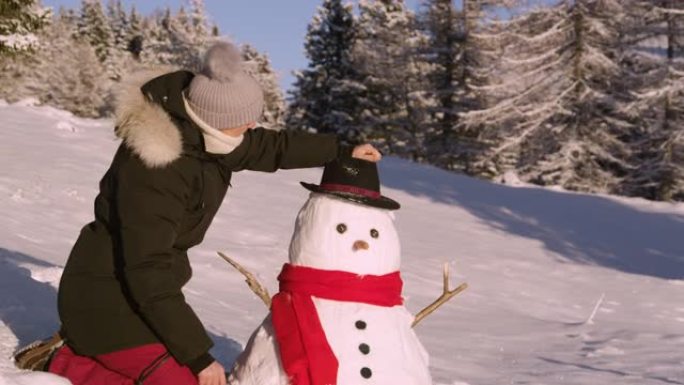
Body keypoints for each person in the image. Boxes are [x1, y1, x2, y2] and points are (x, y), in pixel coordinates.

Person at [41, 41, 381, 385]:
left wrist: (340, 150)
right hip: (105, 301)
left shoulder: (207, 136)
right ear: (214, 120)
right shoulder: (156, 170)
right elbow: (147, 268)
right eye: (245, 121)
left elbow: (269, 146)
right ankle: (67, 364)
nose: (252, 126)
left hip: (144, 295)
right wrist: (198, 356)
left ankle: (85, 359)